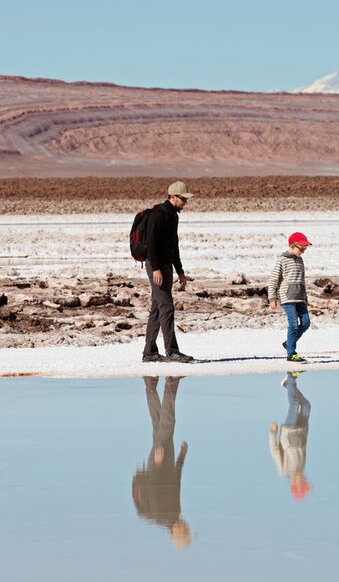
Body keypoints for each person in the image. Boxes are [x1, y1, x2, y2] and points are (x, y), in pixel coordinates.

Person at [132, 376, 193, 549]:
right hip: (164, 462)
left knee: (167, 423)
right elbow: (176, 483)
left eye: (185, 531)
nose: (187, 526)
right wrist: (181, 457)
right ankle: (150, 384)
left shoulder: (167, 515)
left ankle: (171, 382)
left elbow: (155, 489)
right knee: (159, 422)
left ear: (177, 532)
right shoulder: (168, 516)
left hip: (159, 464)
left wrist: (158, 464)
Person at [142, 181, 194, 363]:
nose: (185, 203)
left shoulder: (173, 216)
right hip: (156, 266)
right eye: (183, 199)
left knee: (157, 308)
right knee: (166, 307)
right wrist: (156, 268)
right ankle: (172, 351)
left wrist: (180, 271)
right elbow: (150, 243)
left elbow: (174, 246)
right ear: (172, 197)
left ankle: (149, 353)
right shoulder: (158, 215)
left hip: (166, 265)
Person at [268, 231, 312, 364]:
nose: (303, 251)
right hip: (287, 298)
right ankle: (291, 354)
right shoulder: (282, 259)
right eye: (301, 248)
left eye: (305, 249)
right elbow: (273, 280)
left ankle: (289, 343)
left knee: (305, 323)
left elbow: (302, 279)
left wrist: (305, 297)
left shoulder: (300, 260)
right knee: (293, 325)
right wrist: (272, 298)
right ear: (292, 246)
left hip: (300, 297)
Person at [269, 371, 312, 501]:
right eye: (305, 482)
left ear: (295, 484)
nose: (305, 479)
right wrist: (306, 427)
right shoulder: (302, 469)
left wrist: (272, 432)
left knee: (294, 405)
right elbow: (304, 448)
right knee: (306, 406)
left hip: (290, 432)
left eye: (303, 483)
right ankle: (289, 384)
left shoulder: (285, 471)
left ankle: (291, 377)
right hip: (301, 430)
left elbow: (275, 451)